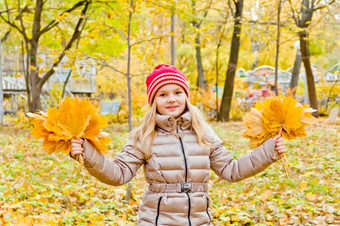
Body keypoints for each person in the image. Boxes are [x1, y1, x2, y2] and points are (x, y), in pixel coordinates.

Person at [70, 64, 286, 225]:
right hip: (157, 221)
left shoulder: (203, 133)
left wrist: (270, 150)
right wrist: (87, 153)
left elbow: (232, 170)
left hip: (199, 221)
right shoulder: (143, 136)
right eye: (163, 94)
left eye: (177, 92)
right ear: (153, 101)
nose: (171, 99)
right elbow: (118, 174)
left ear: (186, 96)